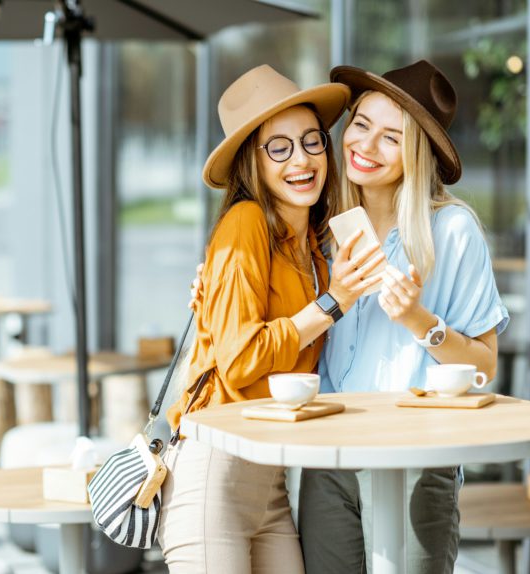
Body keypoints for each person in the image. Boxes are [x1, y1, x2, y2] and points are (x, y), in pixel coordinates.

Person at [157, 64, 383, 574]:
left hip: (272, 481)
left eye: (311, 142)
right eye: (278, 148)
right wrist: (332, 303)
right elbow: (239, 363)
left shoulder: (317, 248)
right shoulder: (246, 223)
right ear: (251, 163)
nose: (301, 160)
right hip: (214, 469)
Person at [298, 60, 509, 574]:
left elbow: (484, 368)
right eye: (361, 125)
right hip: (329, 454)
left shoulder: (453, 231)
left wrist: (418, 320)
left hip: (419, 457)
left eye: (391, 138)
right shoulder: (320, 228)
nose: (365, 147)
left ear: (416, 154)